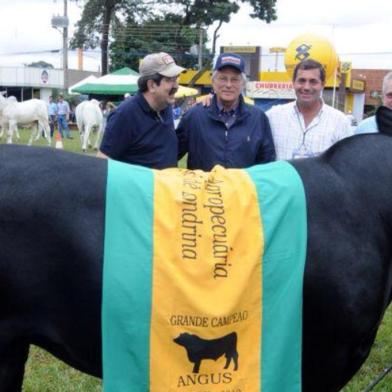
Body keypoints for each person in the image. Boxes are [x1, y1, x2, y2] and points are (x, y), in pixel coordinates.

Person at [176, 53, 276, 171]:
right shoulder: (194, 116)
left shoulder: (258, 118)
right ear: (213, 82)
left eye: (234, 79)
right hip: (203, 189)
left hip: (242, 189)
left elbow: (267, 164)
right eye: (223, 78)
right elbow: (171, 155)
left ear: (243, 84)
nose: (228, 85)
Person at [97, 52, 185, 169]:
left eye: (176, 78)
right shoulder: (125, 115)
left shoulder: (165, 106)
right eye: (170, 80)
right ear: (152, 85)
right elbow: (102, 163)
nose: (176, 86)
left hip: (165, 186)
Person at [266, 59, 352, 160]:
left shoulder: (340, 122)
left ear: (323, 84)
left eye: (313, 81)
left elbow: (346, 162)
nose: (306, 87)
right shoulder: (273, 116)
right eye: (301, 81)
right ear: (293, 83)